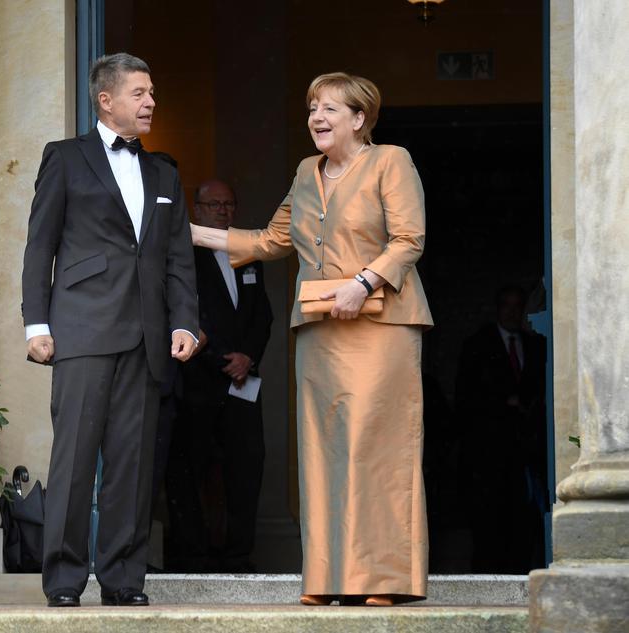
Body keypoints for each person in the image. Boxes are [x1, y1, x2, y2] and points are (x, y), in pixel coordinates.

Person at [191, 72, 433, 606]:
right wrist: (181, 231)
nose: (317, 118)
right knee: (322, 450)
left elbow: (409, 238)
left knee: (375, 448)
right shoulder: (305, 172)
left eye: (329, 108)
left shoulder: (391, 161)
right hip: (321, 329)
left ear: (359, 118)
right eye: (312, 108)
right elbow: (270, 240)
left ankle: (384, 579)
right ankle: (327, 578)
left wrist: (363, 282)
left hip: (381, 323)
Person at [21, 52, 198, 608]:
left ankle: (124, 579)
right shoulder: (66, 158)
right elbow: (39, 245)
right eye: (140, 93)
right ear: (106, 99)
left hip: (147, 336)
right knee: (74, 460)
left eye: (152, 93)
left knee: (132, 464)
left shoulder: (165, 170)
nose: (150, 102)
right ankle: (65, 580)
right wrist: (36, 323)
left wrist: (186, 320)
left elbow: (177, 257)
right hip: (81, 328)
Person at [166, 179, 273, 572]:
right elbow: (184, 312)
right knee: (188, 470)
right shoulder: (184, 255)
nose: (223, 211)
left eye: (229, 204)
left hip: (243, 383)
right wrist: (218, 357)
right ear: (197, 210)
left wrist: (248, 357)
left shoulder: (247, 255)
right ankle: (192, 556)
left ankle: (239, 556)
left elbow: (263, 315)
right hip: (197, 381)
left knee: (246, 468)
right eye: (214, 205)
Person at [456, 285, 548, 573]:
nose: (512, 312)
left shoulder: (535, 345)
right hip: (488, 451)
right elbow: (465, 397)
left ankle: (520, 574)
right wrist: (501, 403)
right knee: (489, 520)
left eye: (517, 306)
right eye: (506, 306)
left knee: (523, 519)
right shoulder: (476, 346)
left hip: (526, 451)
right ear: (497, 308)